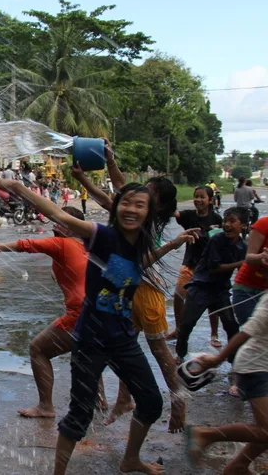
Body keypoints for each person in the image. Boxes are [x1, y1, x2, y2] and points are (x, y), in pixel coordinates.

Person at [0, 178, 196, 475]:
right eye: (126, 203)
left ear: (149, 212)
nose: (131, 209)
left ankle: (130, 460)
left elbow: (137, 264)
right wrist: (18, 187)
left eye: (139, 205)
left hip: (123, 339)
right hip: (91, 339)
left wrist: (172, 244)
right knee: (80, 414)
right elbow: (58, 215)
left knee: (151, 403)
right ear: (116, 208)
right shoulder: (102, 235)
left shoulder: (138, 241)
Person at [72, 144, 186, 433]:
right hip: (127, 290)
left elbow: (117, 192)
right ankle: (124, 400)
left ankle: (179, 401)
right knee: (126, 348)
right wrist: (85, 179)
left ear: (157, 206)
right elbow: (114, 197)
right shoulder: (136, 217)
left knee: (158, 349)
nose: (137, 198)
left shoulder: (146, 221)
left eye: (147, 195)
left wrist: (108, 162)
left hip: (146, 290)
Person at [0, 207, 87, 419]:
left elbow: (28, 244)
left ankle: (45, 407)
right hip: (98, 313)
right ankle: (101, 400)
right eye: (55, 219)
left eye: (60, 221)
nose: (55, 224)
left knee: (38, 349)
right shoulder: (88, 247)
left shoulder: (62, 244)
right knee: (85, 353)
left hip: (79, 314)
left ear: (73, 227)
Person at [186, 290, 268, 473]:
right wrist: (217, 359)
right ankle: (205, 435)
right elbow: (245, 332)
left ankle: (238, 466)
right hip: (255, 367)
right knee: (266, 430)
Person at [175, 208, 247, 369]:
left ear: (243, 225)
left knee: (231, 325)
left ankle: (233, 360)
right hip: (201, 287)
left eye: (232, 221)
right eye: (225, 220)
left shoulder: (243, 247)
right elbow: (215, 268)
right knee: (187, 324)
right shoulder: (217, 240)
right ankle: (180, 353)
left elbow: (244, 270)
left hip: (220, 290)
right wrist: (243, 262)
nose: (227, 224)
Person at [168, 186, 224, 346]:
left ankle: (214, 334)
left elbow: (223, 241)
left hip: (209, 267)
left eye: (202, 197)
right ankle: (178, 329)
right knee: (179, 295)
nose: (198, 200)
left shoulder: (216, 218)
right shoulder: (189, 215)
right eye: (196, 196)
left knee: (212, 301)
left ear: (210, 200)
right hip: (190, 264)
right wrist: (165, 199)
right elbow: (174, 213)